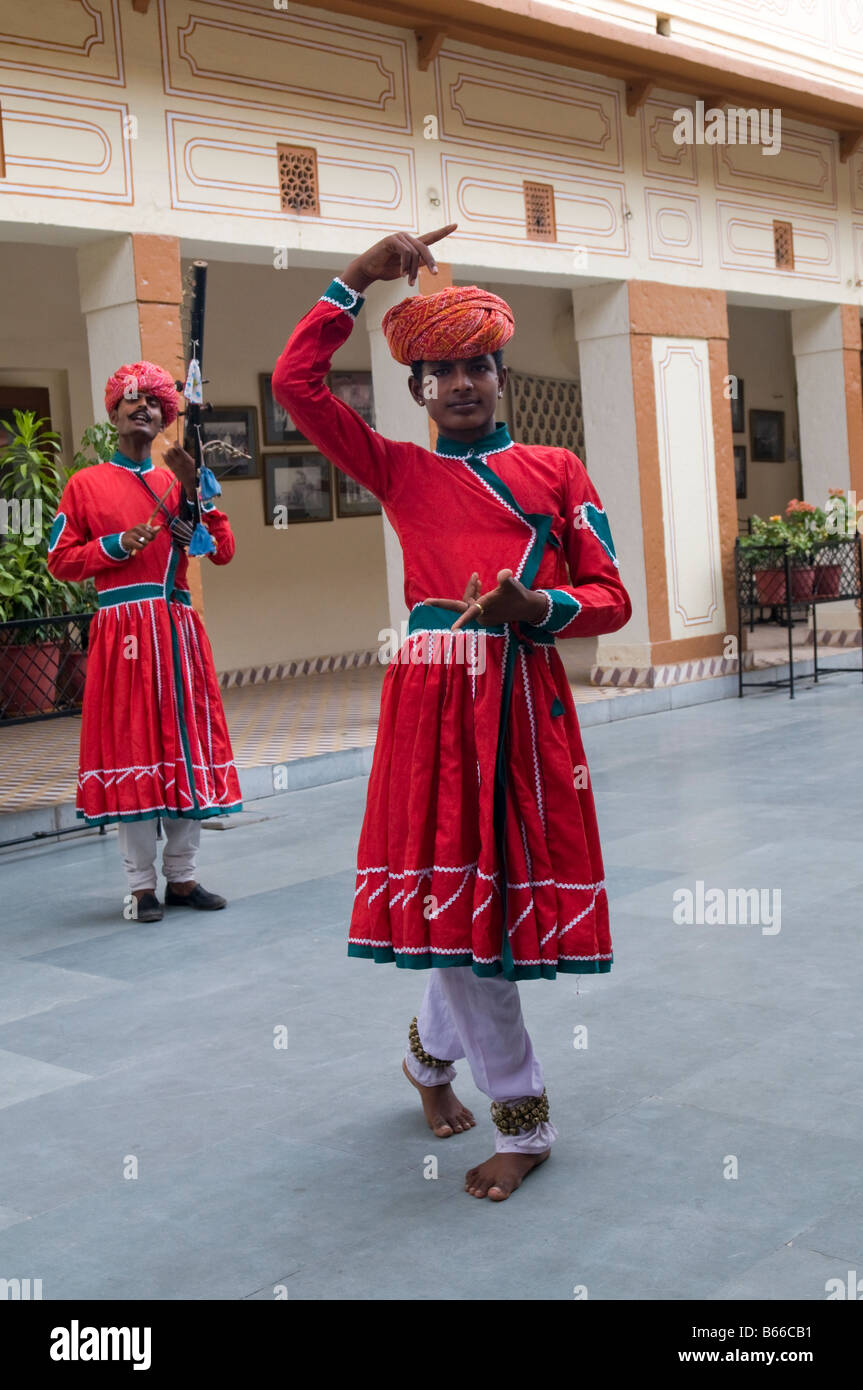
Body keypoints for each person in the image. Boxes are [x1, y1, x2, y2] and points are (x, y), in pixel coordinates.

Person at [272, 226, 632, 1201]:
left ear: (499, 373)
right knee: (465, 909)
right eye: (441, 370)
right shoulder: (400, 470)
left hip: (520, 702)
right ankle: (523, 1113)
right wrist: (354, 278)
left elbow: (610, 597)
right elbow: (295, 385)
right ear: (417, 387)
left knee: (488, 914)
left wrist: (539, 609)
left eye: (478, 364)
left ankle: (432, 1066)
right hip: (432, 701)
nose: (463, 382)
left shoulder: (555, 471)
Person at [46, 361, 242, 922]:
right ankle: (140, 887)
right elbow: (61, 560)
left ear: (165, 416)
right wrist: (114, 544)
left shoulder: (178, 480)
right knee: (133, 747)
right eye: (131, 400)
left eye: (154, 402)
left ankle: (182, 877)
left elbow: (222, 550)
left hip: (176, 630)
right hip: (123, 634)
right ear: (113, 412)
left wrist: (193, 518)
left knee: (183, 747)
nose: (143, 408)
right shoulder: (85, 484)